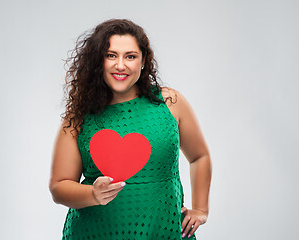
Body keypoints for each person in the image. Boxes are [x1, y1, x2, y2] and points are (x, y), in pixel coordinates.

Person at [49, 19, 212, 240]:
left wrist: (201, 210)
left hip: (163, 231)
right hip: (94, 233)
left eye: (130, 56)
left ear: (144, 61)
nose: (120, 65)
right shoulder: (79, 116)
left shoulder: (170, 102)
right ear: (99, 61)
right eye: (111, 55)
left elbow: (199, 156)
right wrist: (93, 194)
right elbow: (59, 186)